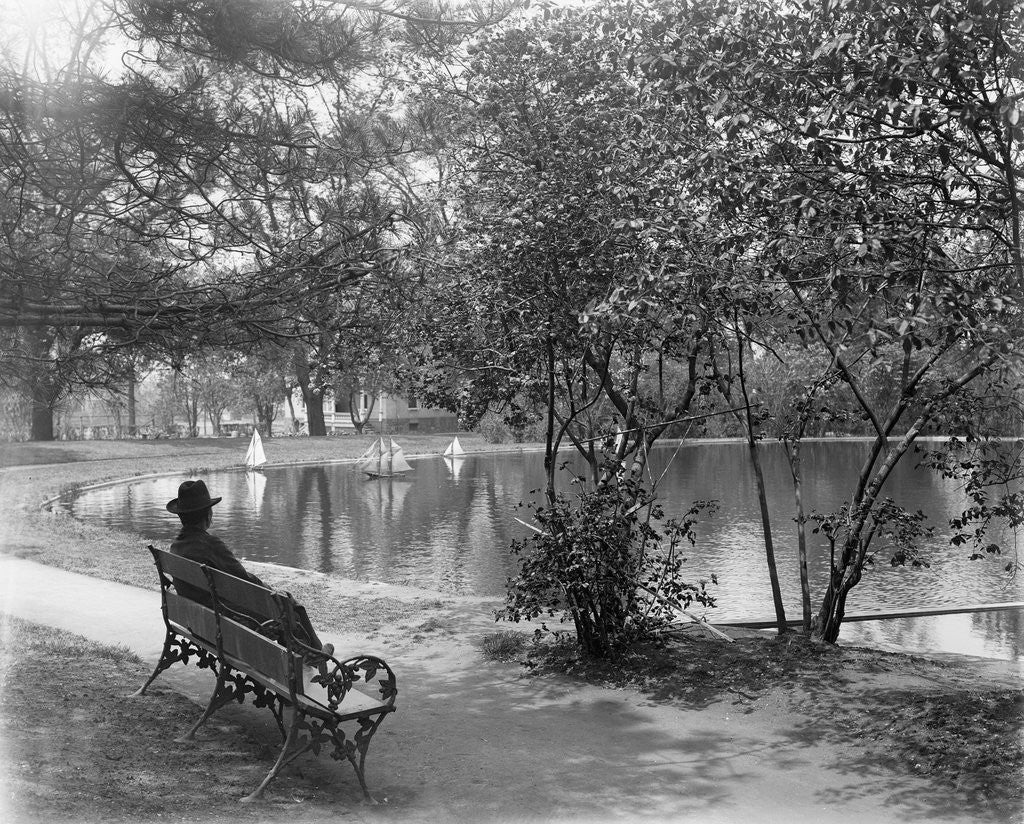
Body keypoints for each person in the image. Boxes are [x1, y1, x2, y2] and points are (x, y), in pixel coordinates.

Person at [166, 479, 333, 663]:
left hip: (203, 622)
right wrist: (272, 592)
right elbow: (244, 581)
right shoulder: (210, 545)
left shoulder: (176, 548)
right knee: (290, 606)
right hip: (229, 626)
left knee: (282, 603)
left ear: (181, 516)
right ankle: (315, 655)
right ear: (208, 515)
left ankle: (306, 656)